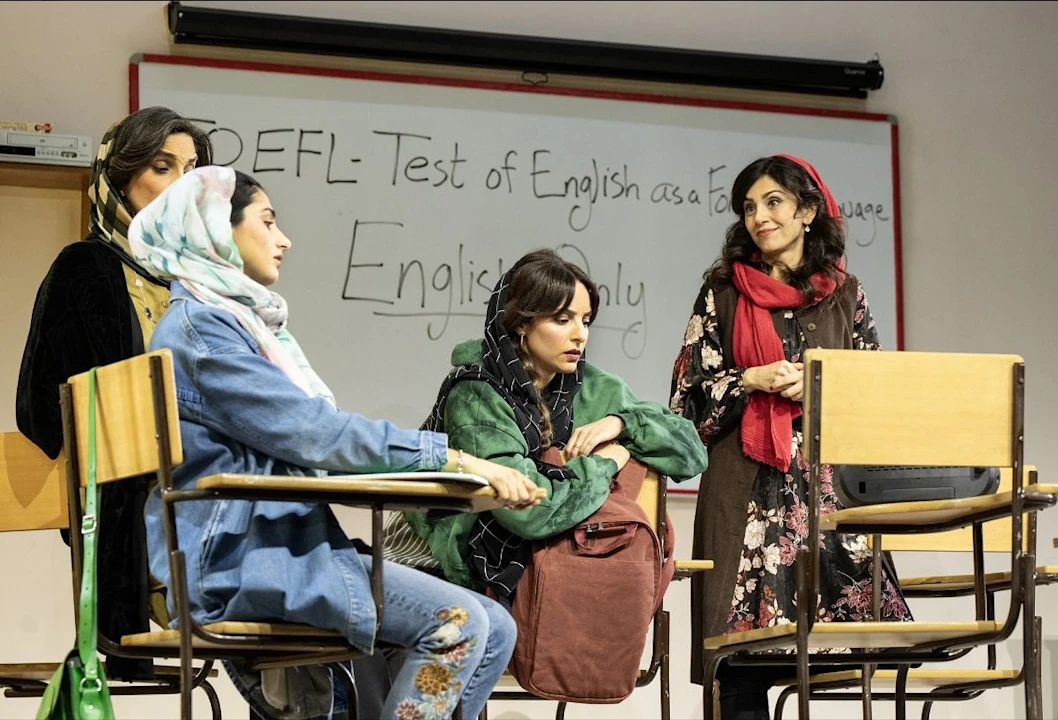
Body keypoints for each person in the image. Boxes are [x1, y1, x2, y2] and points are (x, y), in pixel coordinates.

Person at [127, 165, 538, 720]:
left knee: (498, 628)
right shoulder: (204, 332)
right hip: (242, 559)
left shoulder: (231, 323)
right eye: (268, 222)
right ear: (216, 231)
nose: (284, 238)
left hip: (275, 545)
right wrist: (453, 457)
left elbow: (314, 439)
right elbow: (319, 435)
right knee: (461, 625)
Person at [669, 154, 912, 719]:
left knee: (848, 652)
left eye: (773, 203)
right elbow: (686, 398)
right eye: (750, 208)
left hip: (825, 496)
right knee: (738, 662)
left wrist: (822, 388)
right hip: (742, 491)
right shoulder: (722, 291)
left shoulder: (845, 294)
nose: (760, 217)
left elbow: (880, 397)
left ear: (806, 211)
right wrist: (747, 379)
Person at [15, 106, 213, 680]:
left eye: (192, 169)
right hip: (135, 508)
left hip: (203, 490)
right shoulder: (88, 268)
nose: (183, 185)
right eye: (162, 167)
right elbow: (43, 409)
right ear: (119, 180)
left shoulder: (200, 281)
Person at [394, 248, 708, 604]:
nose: (580, 335)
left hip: (536, 570)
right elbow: (529, 511)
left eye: (586, 321)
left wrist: (620, 424)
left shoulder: (591, 386)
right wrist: (608, 461)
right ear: (521, 323)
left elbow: (691, 453)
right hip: (434, 562)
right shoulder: (477, 393)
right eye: (562, 319)